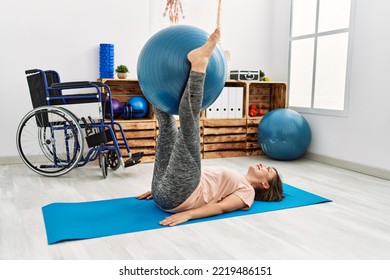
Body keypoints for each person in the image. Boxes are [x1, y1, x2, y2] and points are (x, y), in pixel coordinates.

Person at [137, 28, 283, 227]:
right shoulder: (238, 178)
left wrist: (188, 215)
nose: (262, 165)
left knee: (189, 124)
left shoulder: (247, 192)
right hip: (166, 190)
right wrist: (161, 189)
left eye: (267, 170)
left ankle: (199, 65)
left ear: (265, 184)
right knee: (167, 126)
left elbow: (220, 208)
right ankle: (154, 77)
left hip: (180, 195)